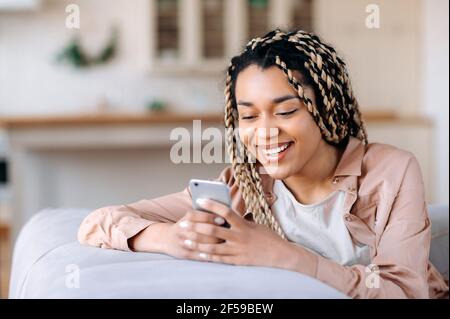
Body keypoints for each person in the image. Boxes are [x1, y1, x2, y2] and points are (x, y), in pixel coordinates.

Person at [78, 29, 449, 299]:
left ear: (325, 108)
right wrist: (171, 238)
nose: (265, 133)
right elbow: (98, 223)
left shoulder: (391, 171)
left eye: (286, 110)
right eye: (249, 117)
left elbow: (404, 292)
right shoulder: (244, 187)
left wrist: (286, 256)